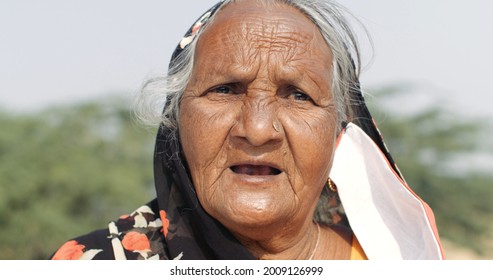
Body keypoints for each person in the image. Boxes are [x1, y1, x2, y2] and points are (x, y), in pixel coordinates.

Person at [50, 0, 444, 260]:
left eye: (298, 95)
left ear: (338, 136)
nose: (257, 131)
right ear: (176, 122)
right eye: (224, 90)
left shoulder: (399, 256)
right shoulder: (94, 263)